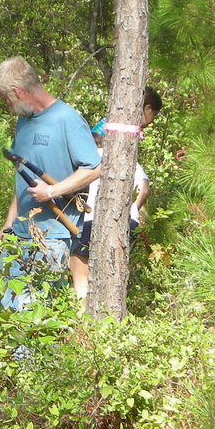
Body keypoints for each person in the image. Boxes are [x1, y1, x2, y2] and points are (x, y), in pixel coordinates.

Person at [0, 56, 101, 310]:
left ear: (18, 92)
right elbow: (22, 176)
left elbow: (94, 168)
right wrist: (9, 221)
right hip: (19, 234)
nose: (6, 105)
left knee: (37, 309)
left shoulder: (67, 119)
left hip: (53, 237)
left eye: (6, 99)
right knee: (8, 304)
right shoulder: (25, 121)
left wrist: (52, 190)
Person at [69, 86, 162, 300]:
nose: (152, 121)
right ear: (146, 108)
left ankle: (82, 326)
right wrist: (133, 209)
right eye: (153, 115)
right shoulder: (123, 155)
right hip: (125, 224)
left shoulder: (87, 159)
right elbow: (144, 187)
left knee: (81, 282)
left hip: (88, 220)